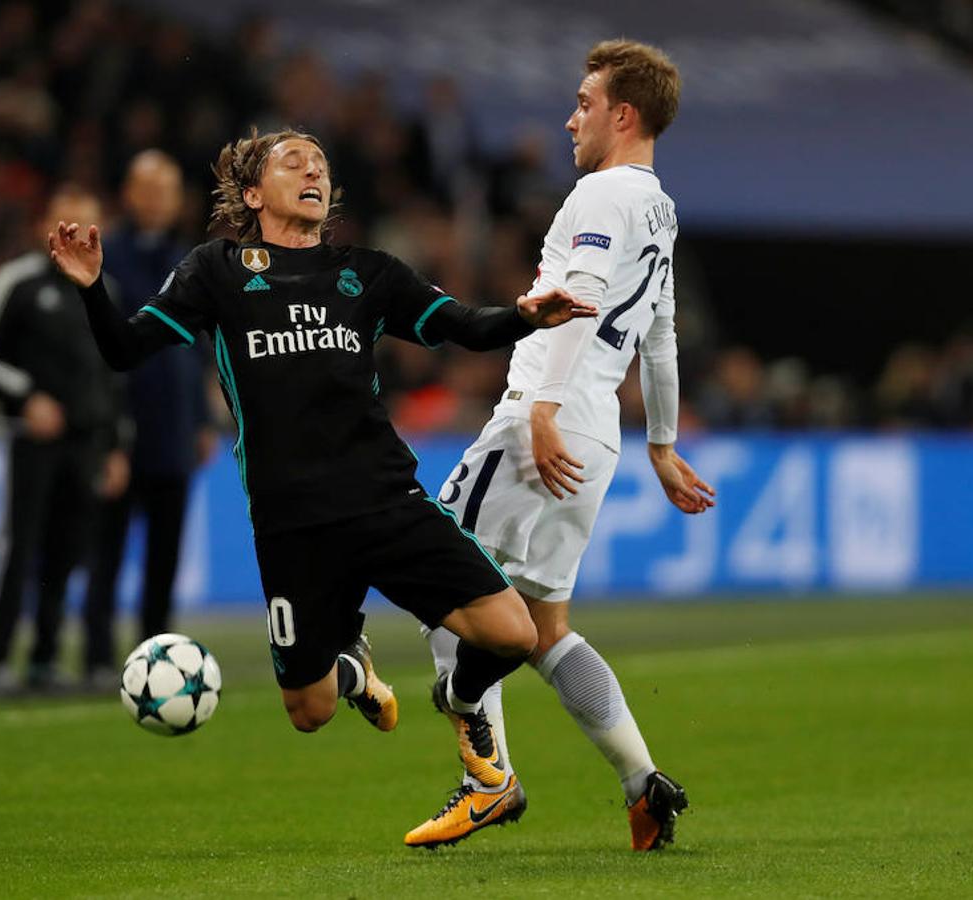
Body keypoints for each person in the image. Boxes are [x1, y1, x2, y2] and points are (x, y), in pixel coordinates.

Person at [48, 130, 598, 796]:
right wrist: (90, 288)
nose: (314, 172)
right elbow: (124, 348)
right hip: (292, 523)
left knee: (512, 633)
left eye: (322, 166)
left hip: (385, 501)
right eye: (294, 163)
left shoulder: (366, 274)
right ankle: (350, 668)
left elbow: (463, 325)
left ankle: (457, 698)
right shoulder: (215, 271)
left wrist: (522, 315)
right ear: (253, 193)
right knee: (309, 713)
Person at [405, 40, 715, 851]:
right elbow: (661, 336)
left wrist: (540, 408)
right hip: (598, 436)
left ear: (624, 114)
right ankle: (644, 782)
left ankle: (489, 781)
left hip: (544, 421)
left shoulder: (599, 196)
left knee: (441, 582)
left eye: (584, 102)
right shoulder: (659, 208)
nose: (569, 117)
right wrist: (660, 442)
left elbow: (577, 300)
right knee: (543, 630)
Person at [0, 185, 130, 694]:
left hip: (86, 444)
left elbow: (114, 373)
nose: (77, 232)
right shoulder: (17, 281)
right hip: (32, 441)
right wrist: (26, 396)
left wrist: (118, 443)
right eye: (67, 222)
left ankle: (44, 657)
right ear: (47, 227)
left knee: (67, 551)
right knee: (21, 544)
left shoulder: (106, 291)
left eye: (88, 223)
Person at [82, 150, 217, 688]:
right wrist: (104, 430)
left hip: (174, 431)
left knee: (164, 556)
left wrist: (203, 419)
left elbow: (201, 345)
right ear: (129, 194)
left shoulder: (190, 258)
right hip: (121, 429)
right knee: (107, 550)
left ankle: (156, 658)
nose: (160, 199)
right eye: (150, 187)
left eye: (169, 189)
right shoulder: (105, 255)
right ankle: (95, 655)